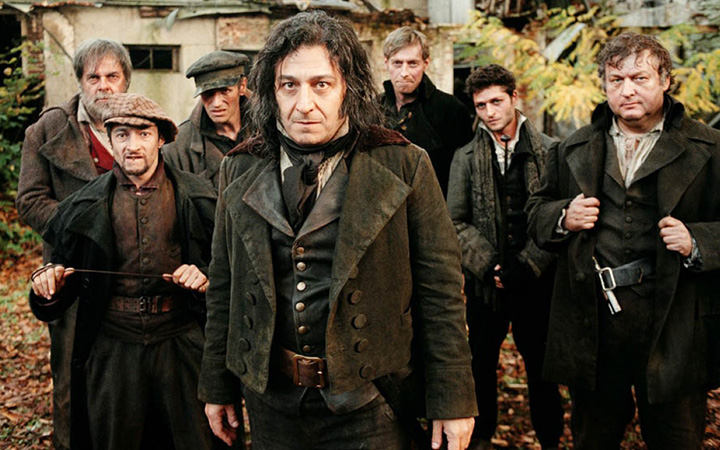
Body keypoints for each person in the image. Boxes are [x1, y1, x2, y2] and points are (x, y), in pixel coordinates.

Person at [198, 10, 477, 450]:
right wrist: (217, 385)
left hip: (372, 403)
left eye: (321, 84)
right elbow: (224, 285)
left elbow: (440, 291)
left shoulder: (404, 164)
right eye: (289, 85)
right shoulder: (241, 167)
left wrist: (453, 400)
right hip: (271, 403)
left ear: (348, 88)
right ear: (271, 91)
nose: (304, 103)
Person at [526, 32, 720, 449]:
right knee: (593, 437)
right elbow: (535, 212)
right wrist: (563, 217)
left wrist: (698, 240)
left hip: (674, 322)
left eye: (639, 78)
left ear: (665, 80)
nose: (627, 90)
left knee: (677, 438)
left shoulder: (709, 147)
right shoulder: (573, 147)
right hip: (594, 326)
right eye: (616, 80)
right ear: (604, 86)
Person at [28, 93, 218, 449]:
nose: (132, 146)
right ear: (110, 140)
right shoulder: (83, 206)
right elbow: (58, 285)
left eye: (143, 134)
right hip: (113, 351)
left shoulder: (200, 198)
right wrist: (47, 286)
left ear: (161, 139)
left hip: (182, 345)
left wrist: (204, 277)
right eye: (122, 135)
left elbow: (229, 276)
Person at [15, 38, 131, 450]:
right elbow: (30, 200)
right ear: (80, 81)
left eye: (112, 76)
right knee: (71, 373)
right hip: (72, 273)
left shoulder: (144, 125)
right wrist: (82, 232)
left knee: (126, 376)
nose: (103, 85)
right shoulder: (47, 130)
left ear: (126, 80)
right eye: (93, 77)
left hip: (131, 274)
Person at [447, 64, 563, 450]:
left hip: (537, 283)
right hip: (487, 288)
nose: (490, 112)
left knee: (542, 369)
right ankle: (480, 438)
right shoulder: (465, 157)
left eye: (497, 102)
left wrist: (528, 264)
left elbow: (558, 219)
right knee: (481, 365)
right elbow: (455, 221)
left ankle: (550, 439)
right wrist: (488, 266)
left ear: (514, 97)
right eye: (481, 105)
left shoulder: (551, 151)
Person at [379, 26, 474, 196]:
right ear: (386, 63)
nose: (404, 73)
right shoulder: (372, 109)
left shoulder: (451, 110)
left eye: (412, 63)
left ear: (426, 63)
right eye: (397, 63)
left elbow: (465, 177)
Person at [163, 50, 252, 189]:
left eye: (225, 91)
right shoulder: (178, 146)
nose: (216, 103)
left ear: (242, 87)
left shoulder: (270, 129)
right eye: (208, 93)